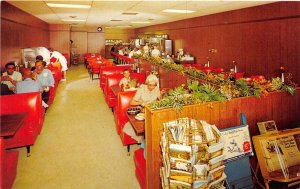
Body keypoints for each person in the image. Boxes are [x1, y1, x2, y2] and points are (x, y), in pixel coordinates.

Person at [123, 74, 161, 142]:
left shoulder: (156, 89)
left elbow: (159, 100)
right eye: (150, 85)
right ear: (147, 83)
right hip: (142, 110)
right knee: (144, 126)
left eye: (154, 85)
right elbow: (132, 102)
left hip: (152, 110)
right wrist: (140, 103)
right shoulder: (141, 89)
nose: (152, 87)